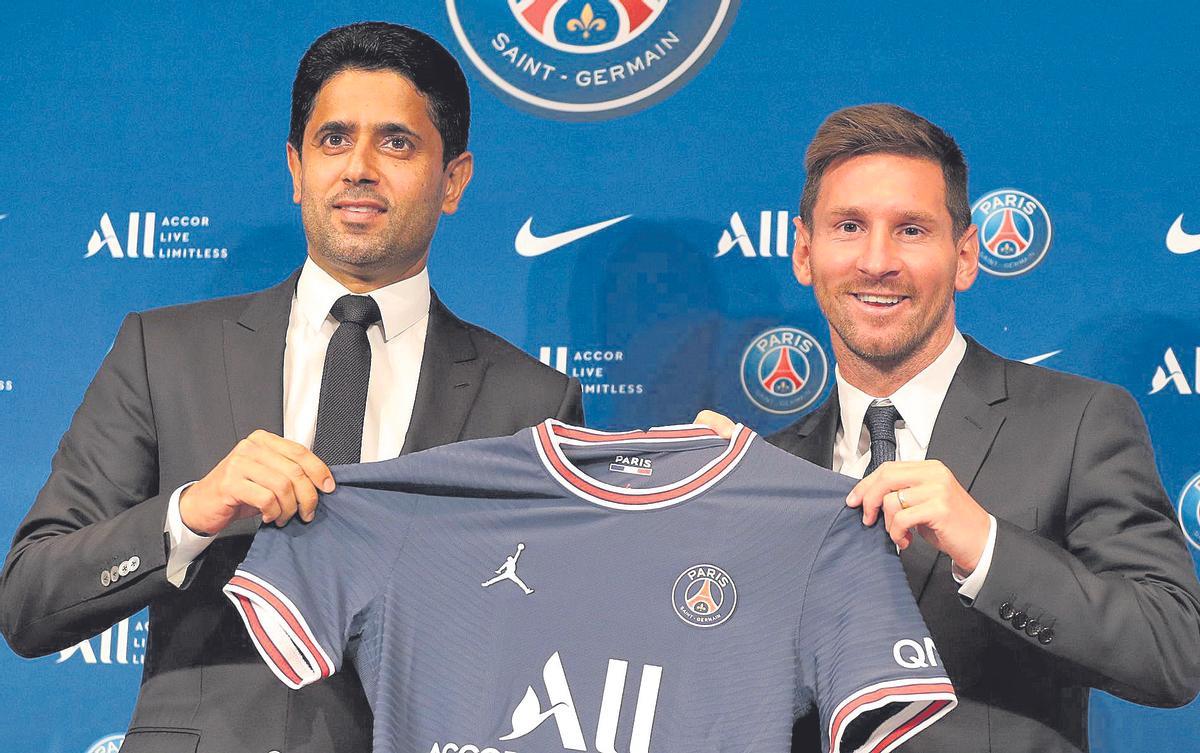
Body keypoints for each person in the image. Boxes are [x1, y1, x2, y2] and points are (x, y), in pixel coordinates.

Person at [0, 22, 582, 753]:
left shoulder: (531, 402)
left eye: (396, 142)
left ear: (453, 179)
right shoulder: (163, 352)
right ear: (296, 168)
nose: (359, 167)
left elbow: (552, 658)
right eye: (333, 139)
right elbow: (28, 603)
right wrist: (191, 514)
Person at [698, 103, 1200, 752]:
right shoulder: (768, 468)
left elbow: (1172, 648)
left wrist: (985, 545)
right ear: (804, 252)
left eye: (911, 230)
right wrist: (703, 523)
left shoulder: (1078, 422)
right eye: (849, 226)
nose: (877, 261)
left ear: (965, 254)